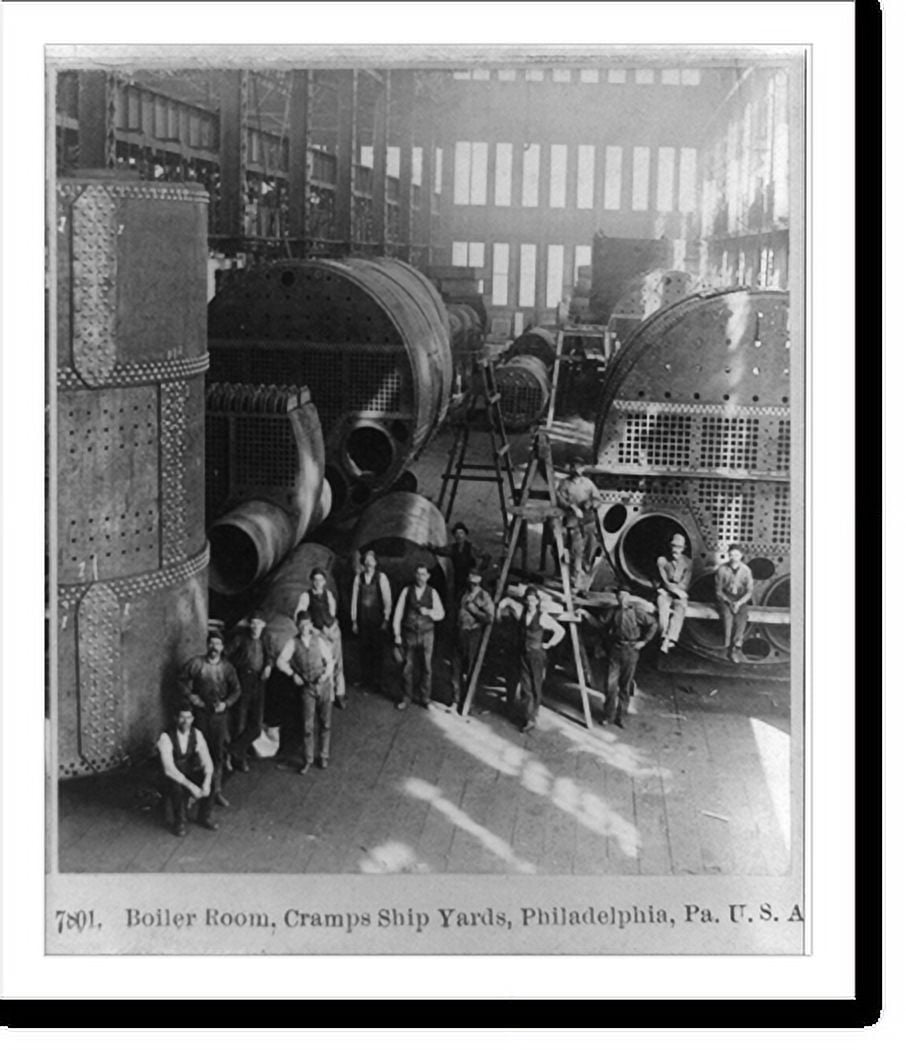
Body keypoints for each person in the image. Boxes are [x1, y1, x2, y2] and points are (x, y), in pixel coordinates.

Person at [177, 630, 240, 807]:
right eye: (211, 644)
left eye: (218, 644)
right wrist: (192, 697)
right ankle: (193, 793)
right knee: (196, 754)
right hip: (201, 715)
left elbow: (237, 690)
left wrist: (226, 704)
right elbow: (181, 679)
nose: (214, 648)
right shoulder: (197, 664)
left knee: (217, 754)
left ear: (222, 647)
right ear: (207, 645)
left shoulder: (227, 668)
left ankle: (216, 791)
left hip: (219, 717)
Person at [498, 586, 565, 733]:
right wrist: (500, 607)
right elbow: (508, 600)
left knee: (536, 685)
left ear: (537, 601)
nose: (530, 603)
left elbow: (560, 631)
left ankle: (533, 715)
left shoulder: (542, 616)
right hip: (524, 654)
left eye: (533, 600)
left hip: (537, 655)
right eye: (528, 600)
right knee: (525, 685)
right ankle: (528, 717)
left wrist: (549, 644)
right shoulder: (521, 612)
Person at [276, 611, 335, 774]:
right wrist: (293, 675)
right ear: (298, 626)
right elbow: (280, 661)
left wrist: (324, 676)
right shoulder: (293, 643)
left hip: (323, 685)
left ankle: (323, 755)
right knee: (307, 725)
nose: (304, 628)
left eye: (307, 625)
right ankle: (308, 759)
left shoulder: (319, 641)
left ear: (311, 625)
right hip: (307, 688)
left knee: (325, 723)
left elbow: (330, 661)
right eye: (301, 625)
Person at [597, 585, 657, 729]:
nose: (623, 598)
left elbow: (653, 624)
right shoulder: (612, 611)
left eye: (625, 595)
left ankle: (621, 716)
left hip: (631, 651)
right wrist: (586, 615)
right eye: (620, 595)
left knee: (625, 685)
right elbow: (600, 623)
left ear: (629, 597)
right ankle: (608, 715)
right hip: (615, 650)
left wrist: (644, 641)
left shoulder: (637, 612)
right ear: (617, 597)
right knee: (610, 685)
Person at [157, 701, 217, 836]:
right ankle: (180, 822)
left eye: (188, 718)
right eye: (182, 717)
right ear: (175, 718)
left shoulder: (197, 734)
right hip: (170, 777)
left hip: (188, 771)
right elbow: (169, 769)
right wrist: (192, 787)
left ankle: (204, 816)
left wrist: (206, 782)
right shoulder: (166, 737)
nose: (185, 721)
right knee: (176, 786)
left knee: (211, 779)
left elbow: (207, 761)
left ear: (193, 719)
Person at [392, 563, 445, 710]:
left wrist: (428, 612)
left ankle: (425, 698)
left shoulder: (432, 592)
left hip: (427, 634)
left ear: (428, 577)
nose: (421, 577)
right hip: (409, 634)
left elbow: (441, 614)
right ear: (415, 575)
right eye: (418, 574)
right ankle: (406, 697)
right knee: (407, 667)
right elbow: (398, 612)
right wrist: (396, 633)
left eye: (423, 574)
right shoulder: (407, 591)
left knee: (426, 667)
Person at [226, 612, 273, 772]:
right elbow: (226, 655)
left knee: (256, 726)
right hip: (243, 681)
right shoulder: (240, 639)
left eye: (258, 624)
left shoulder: (265, 638)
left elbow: (270, 656)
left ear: (263, 626)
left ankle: (232, 750)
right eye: (253, 624)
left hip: (259, 682)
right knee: (240, 721)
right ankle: (239, 759)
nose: (255, 628)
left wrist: (268, 666)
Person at [295, 568, 347, 709]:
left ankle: (340, 693)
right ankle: (328, 697)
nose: (318, 583)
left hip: (333, 632)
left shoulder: (328, 594)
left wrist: (332, 627)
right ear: (311, 581)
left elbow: (332, 613)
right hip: (320, 635)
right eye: (315, 580)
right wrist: (315, 630)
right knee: (326, 665)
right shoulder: (305, 597)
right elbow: (300, 618)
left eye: (321, 580)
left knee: (338, 664)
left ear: (324, 581)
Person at [556, 460, 605, 588]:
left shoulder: (588, 483)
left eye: (579, 468)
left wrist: (592, 503)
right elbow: (559, 499)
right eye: (575, 468)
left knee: (590, 550)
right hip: (573, 522)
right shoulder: (564, 484)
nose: (577, 471)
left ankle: (586, 580)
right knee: (576, 551)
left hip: (589, 522)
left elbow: (598, 498)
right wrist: (572, 507)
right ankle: (575, 581)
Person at [350, 549, 393, 692]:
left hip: (377, 620)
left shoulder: (381, 578)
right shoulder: (358, 578)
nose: (369, 564)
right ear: (363, 563)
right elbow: (354, 600)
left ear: (375, 563)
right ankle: (364, 680)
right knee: (364, 650)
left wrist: (386, 619)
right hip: (363, 620)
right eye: (366, 561)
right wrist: (354, 620)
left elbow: (387, 600)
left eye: (371, 561)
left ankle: (377, 682)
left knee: (377, 651)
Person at [451, 569, 495, 707]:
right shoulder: (464, 593)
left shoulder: (484, 596)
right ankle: (455, 699)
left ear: (480, 580)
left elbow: (490, 618)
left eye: (475, 580)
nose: (472, 583)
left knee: (471, 668)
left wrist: (474, 610)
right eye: (471, 579)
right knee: (455, 667)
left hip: (473, 634)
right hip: (460, 632)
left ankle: (467, 702)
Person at [714, 544, 755, 663]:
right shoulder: (722, 569)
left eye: (736, 555)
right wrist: (728, 602)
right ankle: (726, 646)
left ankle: (735, 648)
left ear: (741, 556)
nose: (733, 557)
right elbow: (718, 591)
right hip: (725, 598)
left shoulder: (746, 570)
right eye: (731, 555)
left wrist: (739, 603)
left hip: (740, 598)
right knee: (727, 616)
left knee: (742, 618)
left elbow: (749, 591)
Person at [656, 532, 693, 654]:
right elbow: (664, 580)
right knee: (663, 611)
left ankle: (668, 639)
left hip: (680, 593)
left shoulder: (688, 562)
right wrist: (674, 590)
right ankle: (664, 637)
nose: (675, 550)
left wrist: (679, 591)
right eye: (673, 546)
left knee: (680, 610)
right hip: (666, 592)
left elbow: (685, 582)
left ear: (683, 549)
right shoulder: (662, 560)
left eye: (679, 547)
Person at [430, 522, 479, 599]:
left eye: (461, 533)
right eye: (456, 534)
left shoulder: (471, 548)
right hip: (458, 579)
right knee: (458, 597)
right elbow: (441, 551)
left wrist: (478, 569)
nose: (459, 536)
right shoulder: (453, 548)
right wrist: (431, 548)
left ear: (465, 535)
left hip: (470, 578)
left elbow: (486, 556)